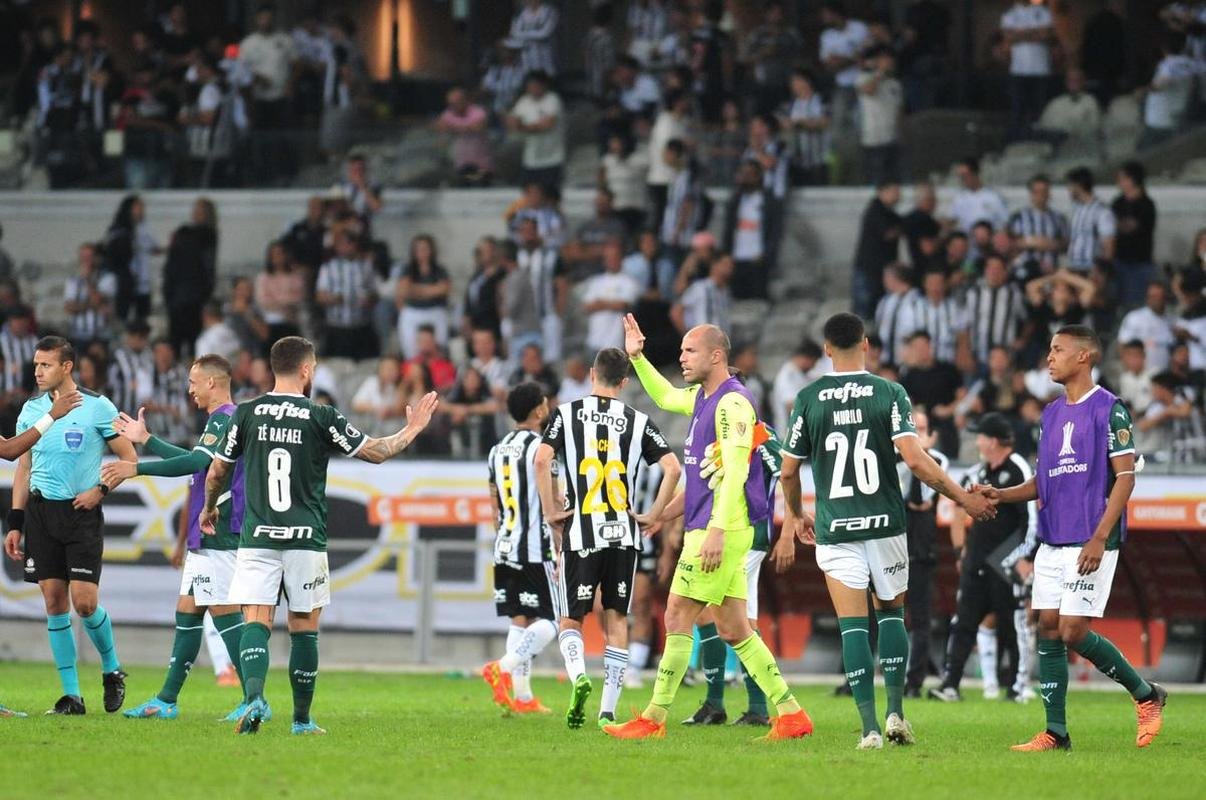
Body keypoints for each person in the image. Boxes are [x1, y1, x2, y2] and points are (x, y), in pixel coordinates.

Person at [200, 336, 440, 735]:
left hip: (258, 536)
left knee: (256, 617)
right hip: (304, 537)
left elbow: (216, 472)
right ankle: (301, 720)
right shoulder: (319, 415)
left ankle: (255, 697)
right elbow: (376, 451)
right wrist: (412, 429)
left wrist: (209, 507)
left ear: (274, 367)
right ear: (307, 370)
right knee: (304, 625)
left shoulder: (246, 413)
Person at [778, 313, 995, 749]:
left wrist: (795, 515)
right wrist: (963, 498)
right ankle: (896, 712)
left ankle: (869, 729)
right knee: (892, 614)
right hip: (885, 525)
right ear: (867, 345)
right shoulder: (888, 392)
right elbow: (915, 461)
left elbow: (787, 471)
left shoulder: (808, 397)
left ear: (825, 349)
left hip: (836, 526)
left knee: (853, 626)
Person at [605, 317, 812, 741]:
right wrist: (638, 357)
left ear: (717, 356)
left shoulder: (732, 405)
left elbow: (735, 472)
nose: (681, 357)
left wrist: (716, 531)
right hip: (715, 526)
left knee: (678, 612)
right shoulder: (704, 397)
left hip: (721, 529)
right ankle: (792, 714)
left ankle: (654, 717)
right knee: (735, 628)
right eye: (680, 350)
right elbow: (663, 397)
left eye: (690, 351)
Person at [982, 326, 1167, 752]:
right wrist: (1001, 494)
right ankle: (1056, 733)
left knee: (1071, 630)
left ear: (1084, 357)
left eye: (1058, 350)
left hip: (1091, 538)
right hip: (1053, 537)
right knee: (1047, 625)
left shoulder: (1109, 409)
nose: (1049, 357)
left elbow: (1125, 478)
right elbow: (1042, 481)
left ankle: (1146, 694)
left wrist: (1100, 537)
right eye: (1049, 349)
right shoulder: (1050, 414)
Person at [101, 355, 254, 721]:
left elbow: (193, 464)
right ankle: (166, 700)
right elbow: (194, 457)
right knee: (188, 611)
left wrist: (135, 467)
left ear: (213, 384)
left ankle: (252, 698)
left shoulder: (226, 417)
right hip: (205, 534)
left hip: (220, 529)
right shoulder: (218, 421)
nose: (189, 389)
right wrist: (147, 438)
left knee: (223, 611)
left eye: (193, 382)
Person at [534, 348, 680, 730]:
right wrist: (654, 514)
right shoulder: (638, 420)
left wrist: (551, 511)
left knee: (571, 619)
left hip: (582, 532)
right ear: (625, 382)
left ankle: (579, 676)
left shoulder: (566, 414)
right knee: (617, 619)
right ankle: (608, 710)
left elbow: (540, 460)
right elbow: (672, 468)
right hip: (624, 534)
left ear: (591, 375)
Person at [3, 337, 135, 715]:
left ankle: (111, 669)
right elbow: (22, 466)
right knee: (54, 603)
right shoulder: (31, 410)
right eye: (35, 365)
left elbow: (128, 457)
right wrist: (16, 521)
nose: (38, 372)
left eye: (45, 365)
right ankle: (72, 696)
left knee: (85, 602)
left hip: (81, 514)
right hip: (42, 515)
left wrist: (101, 489)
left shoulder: (97, 407)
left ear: (67, 367)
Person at [667, 422, 796, 727]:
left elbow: (788, 475)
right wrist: (663, 516)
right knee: (718, 617)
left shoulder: (760, 435)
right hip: (717, 536)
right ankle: (740, 706)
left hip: (746, 538)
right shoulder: (715, 434)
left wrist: (788, 532)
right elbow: (699, 487)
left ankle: (747, 706)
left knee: (734, 621)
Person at [928, 413, 1032, 703]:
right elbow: (959, 508)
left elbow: (1031, 520)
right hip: (976, 559)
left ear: (993, 441)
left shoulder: (1019, 469)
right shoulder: (976, 474)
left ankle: (1016, 687)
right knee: (963, 623)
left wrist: (1023, 557)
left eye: (981, 437)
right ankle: (950, 684)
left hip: (1006, 560)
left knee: (1012, 625)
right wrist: (961, 551)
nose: (977, 442)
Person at [480, 383, 561, 715]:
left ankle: (524, 698)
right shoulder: (542, 449)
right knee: (553, 620)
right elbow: (553, 501)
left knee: (520, 620)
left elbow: (493, 504)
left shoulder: (497, 450)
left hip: (506, 544)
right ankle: (504, 666)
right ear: (539, 410)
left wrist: (503, 536)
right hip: (534, 547)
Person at [898, 410, 948, 698]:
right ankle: (856, 676)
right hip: (893, 544)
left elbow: (918, 500)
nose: (918, 434)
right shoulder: (891, 457)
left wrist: (922, 454)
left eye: (923, 429)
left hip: (920, 550)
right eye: (913, 429)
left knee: (920, 618)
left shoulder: (938, 460)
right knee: (877, 614)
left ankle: (914, 681)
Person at [162, 198, 218, 358]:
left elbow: (208, 266)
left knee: (194, 342)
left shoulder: (206, 236)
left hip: (194, 297)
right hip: (178, 295)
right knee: (176, 342)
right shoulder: (185, 233)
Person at [315, 230, 378, 361]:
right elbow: (319, 296)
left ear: (354, 245)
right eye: (340, 244)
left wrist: (369, 299)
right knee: (338, 365)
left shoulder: (366, 266)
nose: (343, 248)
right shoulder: (328, 267)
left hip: (361, 327)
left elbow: (375, 294)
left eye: (347, 244)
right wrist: (332, 298)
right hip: (337, 328)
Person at [723, 160, 780, 301]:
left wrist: (766, 254)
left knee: (758, 299)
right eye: (743, 174)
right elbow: (729, 228)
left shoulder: (768, 200)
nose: (745, 178)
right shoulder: (736, 199)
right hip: (737, 258)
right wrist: (727, 254)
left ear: (758, 176)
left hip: (757, 260)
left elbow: (774, 231)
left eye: (749, 174)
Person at [1000, 0, 1054, 140]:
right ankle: (1016, 142)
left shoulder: (1043, 12)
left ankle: (1039, 143)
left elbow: (1045, 35)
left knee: (1040, 112)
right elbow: (1008, 37)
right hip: (1018, 70)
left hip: (1040, 70)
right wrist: (1034, 33)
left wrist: (1020, 34)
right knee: (1018, 110)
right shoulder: (1009, 14)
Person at [393, 235, 452, 360]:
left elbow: (444, 289)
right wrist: (432, 289)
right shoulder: (407, 269)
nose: (422, 252)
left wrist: (416, 290)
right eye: (418, 249)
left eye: (425, 248)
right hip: (413, 311)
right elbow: (404, 290)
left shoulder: (440, 270)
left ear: (432, 250)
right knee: (411, 349)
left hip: (435, 311)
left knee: (439, 346)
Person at [507, 70, 565, 191]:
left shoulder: (552, 100)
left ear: (544, 85)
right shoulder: (523, 101)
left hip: (552, 159)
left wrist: (524, 127)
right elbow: (512, 122)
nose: (533, 88)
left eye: (536, 85)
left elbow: (547, 125)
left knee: (551, 195)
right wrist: (532, 127)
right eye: (530, 85)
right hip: (531, 159)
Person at [852, 182, 903, 320]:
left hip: (881, 271)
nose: (898, 196)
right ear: (882, 191)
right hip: (869, 270)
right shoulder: (875, 210)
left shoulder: (889, 212)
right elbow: (888, 233)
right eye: (895, 191)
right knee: (864, 313)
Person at [1111, 162, 1157, 310]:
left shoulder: (1147, 204)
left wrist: (1116, 224)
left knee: (1136, 304)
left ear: (1132, 179)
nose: (1119, 182)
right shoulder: (1118, 203)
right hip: (1119, 260)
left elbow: (1130, 227)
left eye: (1122, 178)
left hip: (1139, 263)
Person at [581, 240, 641, 353]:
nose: (611, 260)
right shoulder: (596, 281)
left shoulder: (629, 282)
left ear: (621, 258)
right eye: (608, 257)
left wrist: (600, 303)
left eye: (615, 257)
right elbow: (587, 306)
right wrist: (610, 304)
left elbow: (623, 305)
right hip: (594, 341)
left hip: (615, 342)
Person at [857, 45, 904, 185]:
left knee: (894, 181)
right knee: (876, 182)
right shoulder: (863, 78)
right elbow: (868, 90)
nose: (889, 62)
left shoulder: (895, 83)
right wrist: (880, 71)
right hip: (873, 140)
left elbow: (899, 111)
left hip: (893, 139)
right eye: (884, 59)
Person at [1007, 174, 1068, 280]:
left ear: (1049, 193)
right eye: (1037, 191)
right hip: (1023, 269)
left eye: (1044, 191)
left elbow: (1066, 244)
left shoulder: (1059, 218)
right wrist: (1032, 242)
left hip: (1050, 271)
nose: (1041, 195)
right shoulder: (1018, 216)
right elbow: (1009, 243)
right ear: (1031, 194)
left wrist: (1050, 244)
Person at [435, 86, 493, 186]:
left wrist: (453, 127)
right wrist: (465, 128)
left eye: (456, 103)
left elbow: (479, 127)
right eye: (451, 103)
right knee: (462, 188)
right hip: (461, 164)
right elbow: (440, 127)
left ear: (465, 100)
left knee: (481, 189)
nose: (453, 106)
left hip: (481, 164)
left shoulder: (478, 112)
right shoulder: (448, 113)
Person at [64, 242, 118, 346]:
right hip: (78, 335)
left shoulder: (107, 278)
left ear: (97, 258)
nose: (86, 260)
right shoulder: (72, 281)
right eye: (83, 256)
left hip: (101, 335)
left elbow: (97, 299)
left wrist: (87, 279)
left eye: (89, 256)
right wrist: (94, 305)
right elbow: (68, 308)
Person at [1065, 167, 1115, 273]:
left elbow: (1108, 246)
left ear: (1077, 186)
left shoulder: (1102, 212)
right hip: (1074, 267)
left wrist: (1102, 272)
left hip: (1091, 270)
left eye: (1070, 186)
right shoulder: (1076, 209)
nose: (1068, 190)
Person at [1117, 282, 1175, 372]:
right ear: (1147, 298)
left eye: (1160, 296)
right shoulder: (1135, 317)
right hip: (1142, 375)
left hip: (1165, 375)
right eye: (1152, 296)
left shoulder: (1172, 320)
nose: (1156, 300)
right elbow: (1123, 346)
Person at [672, 254, 733, 335]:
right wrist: (689, 337)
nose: (729, 268)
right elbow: (676, 312)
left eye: (731, 266)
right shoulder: (700, 287)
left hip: (721, 341)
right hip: (703, 340)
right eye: (725, 264)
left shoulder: (726, 292)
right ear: (714, 265)